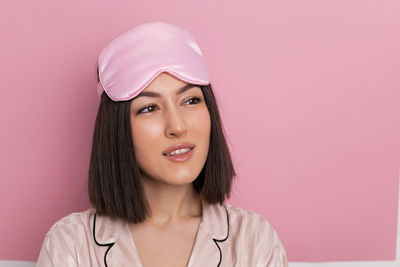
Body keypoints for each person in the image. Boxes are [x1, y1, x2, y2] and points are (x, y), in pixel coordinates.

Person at [36, 21, 288, 267]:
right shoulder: (71, 245)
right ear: (116, 130)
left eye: (190, 101)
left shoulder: (253, 240)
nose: (177, 126)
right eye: (149, 108)